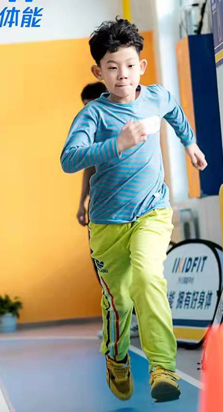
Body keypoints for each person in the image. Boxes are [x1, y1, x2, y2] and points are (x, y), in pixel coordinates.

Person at [60, 18, 207, 403]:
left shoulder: (156, 97)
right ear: (99, 72)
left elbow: (174, 111)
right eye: (112, 67)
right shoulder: (93, 115)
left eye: (128, 65)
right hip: (107, 223)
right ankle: (117, 357)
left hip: (152, 212)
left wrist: (190, 144)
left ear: (141, 66)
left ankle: (163, 367)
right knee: (120, 300)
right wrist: (118, 144)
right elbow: (69, 159)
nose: (122, 74)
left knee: (147, 277)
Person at [78, 82, 142, 341]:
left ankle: (137, 317)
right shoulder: (90, 131)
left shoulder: (124, 128)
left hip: (128, 208)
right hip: (100, 210)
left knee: (135, 265)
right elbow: (88, 167)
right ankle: (119, 319)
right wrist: (81, 203)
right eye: (84, 107)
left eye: (91, 105)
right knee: (103, 265)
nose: (88, 111)